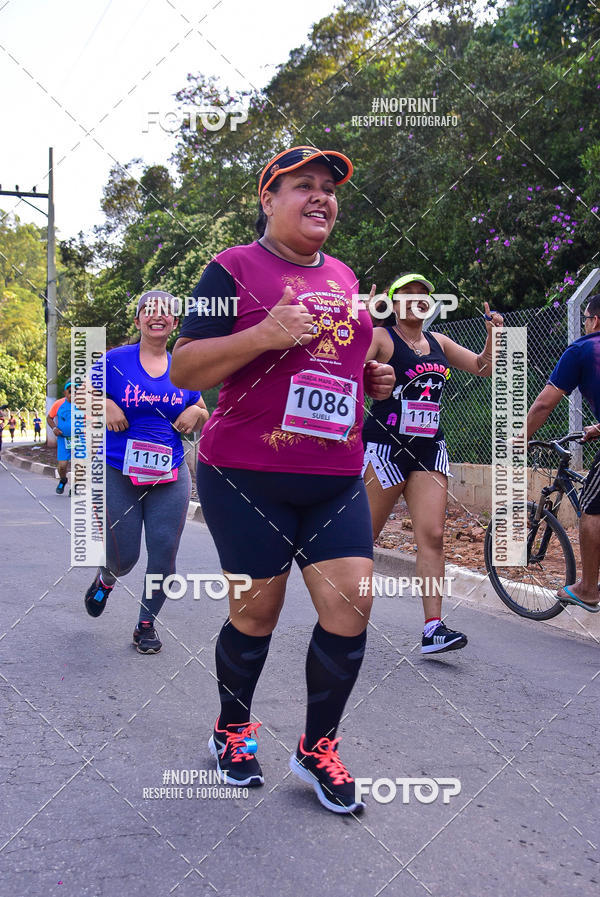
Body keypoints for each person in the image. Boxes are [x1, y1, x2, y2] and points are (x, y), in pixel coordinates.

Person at [171, 146, 394, 814]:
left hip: (334, 475)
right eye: (304, 185)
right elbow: (185, 367)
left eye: (329, 187)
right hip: (247, 475)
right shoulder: (232, 268)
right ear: (269, 200)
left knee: (352, 603)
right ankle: (231, 728)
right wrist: (264, 334)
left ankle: (317, 746)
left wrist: (367, 378)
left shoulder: (346, 276)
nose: (322, 196)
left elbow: (332, 360)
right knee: (256, 612)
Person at [362, 274, 504, 653]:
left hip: (429, 449)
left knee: (434, 536)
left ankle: (433, 628)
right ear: (393, 304)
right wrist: (360, 321)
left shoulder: (439, 342)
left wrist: (494, 335)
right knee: (363, 538)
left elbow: (483, 367)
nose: (416, 299)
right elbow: (346, 367)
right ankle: (342, 615)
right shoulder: (381, 337)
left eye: (423, 294)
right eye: (407, 294)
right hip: (385, 449)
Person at [83, 292, 209, 654]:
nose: (158, 316)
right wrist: (104, 403)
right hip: (118, 470)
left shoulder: (182, 364)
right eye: (149, 311)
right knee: (124, 558)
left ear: (174, 322)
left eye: (166, 312)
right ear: (138, 320)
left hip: (169, 474)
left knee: (164, 556)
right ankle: (106, 578)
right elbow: (82, 396)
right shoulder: (115, 360)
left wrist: (197, 413)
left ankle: (146, 625)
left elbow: (201, 408)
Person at [526, 293, 600, 612]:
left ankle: (588, 589)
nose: (585, 324)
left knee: (592, 509)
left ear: (594, 320)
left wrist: (521, 438)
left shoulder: (583, 350)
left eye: (586, 319)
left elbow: (544, 404)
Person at [47, 385, 72, 493]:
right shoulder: (58, 403)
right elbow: (49, 418)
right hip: (63, 439)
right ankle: (63, 479)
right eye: (70, 391)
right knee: (62, 466)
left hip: (80, 439)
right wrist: (54, 428)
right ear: (65, 393)